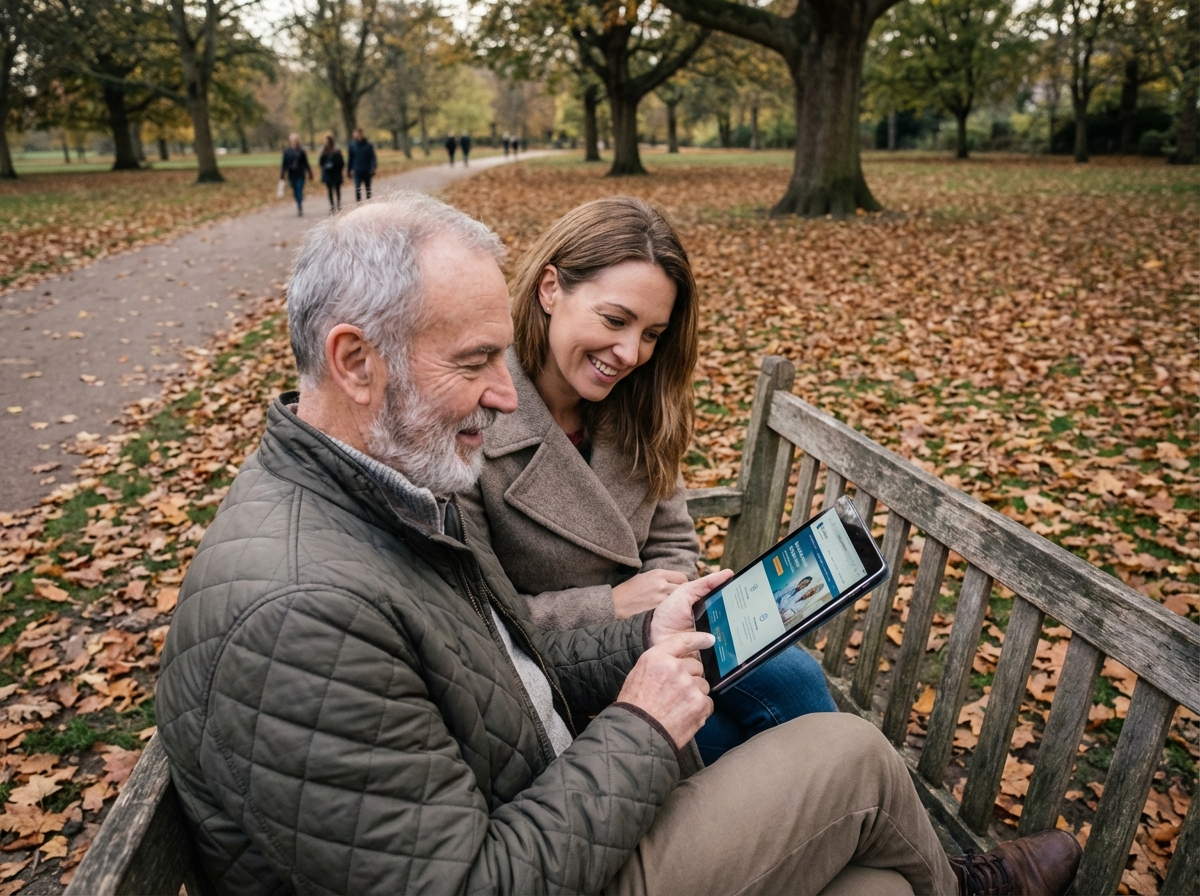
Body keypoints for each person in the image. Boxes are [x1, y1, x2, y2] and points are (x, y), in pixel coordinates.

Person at [156, 193, 1082, 896]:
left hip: (546, 779)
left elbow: (501, 656)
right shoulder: (304, 609)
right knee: (851, 757)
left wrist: (652, 626)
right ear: (356, 362)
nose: (504, 392)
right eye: (478, 363)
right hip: (558, 819)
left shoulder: (385, 488)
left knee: (876, 882)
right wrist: (642, 721)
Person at [461, 197, 836, 765]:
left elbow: (673, 540)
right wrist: (609, 604)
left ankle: (863, 820)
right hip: (554, 683)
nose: (631, 353)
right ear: (549, 289)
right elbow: (474, 615)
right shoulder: (474, 426)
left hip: (658, 646)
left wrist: (674, 602)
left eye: (652, 333)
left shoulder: (639, 406)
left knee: (788, 679)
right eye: (615, 320)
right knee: (762, 728)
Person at [279, 134, 312, 217]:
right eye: (292, 140)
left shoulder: (301, 151)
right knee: (294, 191)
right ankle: (298, 200)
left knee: (299, 189)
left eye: (295, 140)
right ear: (290, 141)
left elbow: (306, 163)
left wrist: (309, 173)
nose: (293, 142)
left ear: (297, 141)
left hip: (300, 173)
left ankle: (300, 207)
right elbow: (284, 164)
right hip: (291, 174)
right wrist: (282, 175)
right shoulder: (287, 152)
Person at [347, 128, 376, 201]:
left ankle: (369, 203)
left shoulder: (368, 145)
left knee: (368, 188)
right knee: (357, 188)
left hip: (366, 170)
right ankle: (359, 204)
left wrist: (373, 168)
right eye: (355, 134)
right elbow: (350, 158)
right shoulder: (352, 145)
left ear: (361, 134)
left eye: (358, 134)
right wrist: (349, 170)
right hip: (357, 170)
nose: (356, 135)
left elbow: (372, 157)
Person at [318, 133, 344, 213]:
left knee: (337, 189)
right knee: (329, 190)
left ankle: (338, 204)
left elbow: (341, 163)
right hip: (328, 174)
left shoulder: (336, 151)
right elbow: (321, 163)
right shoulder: (323, 151)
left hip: (336, 173)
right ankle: (332, 206)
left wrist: (335, 166)